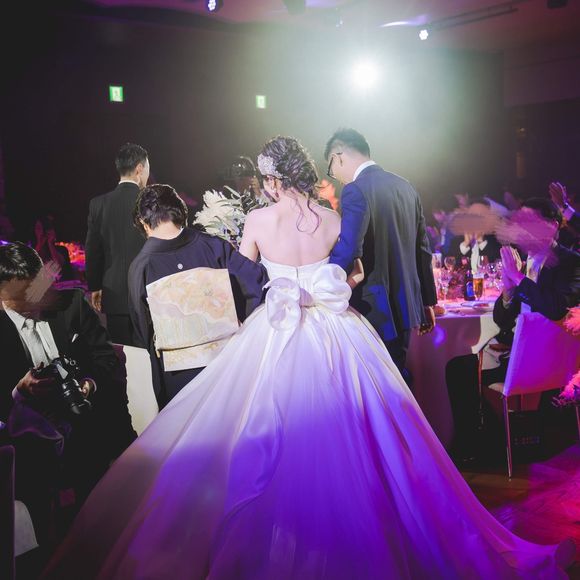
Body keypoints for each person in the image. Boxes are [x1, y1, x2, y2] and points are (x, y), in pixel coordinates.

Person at [44, 137, 573, 579]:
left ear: (271, 180)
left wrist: (280, 283)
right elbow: (354, 272)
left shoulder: (257, 220)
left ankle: (282, 541)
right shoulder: (332, 218)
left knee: (264, 431)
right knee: (365, 434)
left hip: (276, 331)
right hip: (338, 330)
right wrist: (324, 283)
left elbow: (244, 276)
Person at [0, 243, 136, 545]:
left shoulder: (71, 304)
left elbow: (107, 360)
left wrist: (88, 383)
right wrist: (19, 391)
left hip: (84, 429)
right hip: (26, 445)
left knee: (103, 523)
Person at [446, 198, 580, 462]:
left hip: (548, 360)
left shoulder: (571, 262)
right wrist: (508, 291)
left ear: (553, 225)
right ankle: (487, 441)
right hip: (518, 352)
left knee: (460, 370)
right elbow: (501, 318)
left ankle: (476, 447)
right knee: (459, 365)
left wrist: (518, 278)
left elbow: (557, 308)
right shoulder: (527, 261)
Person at [128, 184, 268, 405]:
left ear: (144, 223)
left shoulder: (141, 266)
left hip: (178, 374)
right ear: (180, 212)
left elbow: (142, 328)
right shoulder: (212, 246)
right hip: (225, 361)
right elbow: (255, 283)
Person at [324, 128, 436, 381]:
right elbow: (422, 249)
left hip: (374, 307)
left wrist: (324, 280)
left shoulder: (355, 190)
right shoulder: (406, 187)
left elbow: (349, 248)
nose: (336, 178)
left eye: (331, 169)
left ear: (338, 156)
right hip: (407, 306)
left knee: (376, 384)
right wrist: (427, 301)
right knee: (396, 377)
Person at [85, 143, 149, 345]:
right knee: (149, 352)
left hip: (113, 293)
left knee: (123, 355)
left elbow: (92, 250)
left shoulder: (98, 204)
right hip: (147, 291)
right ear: (139, 169)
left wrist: (95, 286)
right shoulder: (150, 201)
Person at [447, 199, 502, 272]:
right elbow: (449, 265)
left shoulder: (496, 241)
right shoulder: (457, 240)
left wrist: (481, 242)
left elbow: (496, 266)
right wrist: (465, 245)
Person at [32, 215, 75, 281]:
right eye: (38, 228)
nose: (41, 232)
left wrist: (50, 243)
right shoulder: (32, 251)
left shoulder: (62, 250)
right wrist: (39, 244)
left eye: (43, 228)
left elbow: (58, 268)